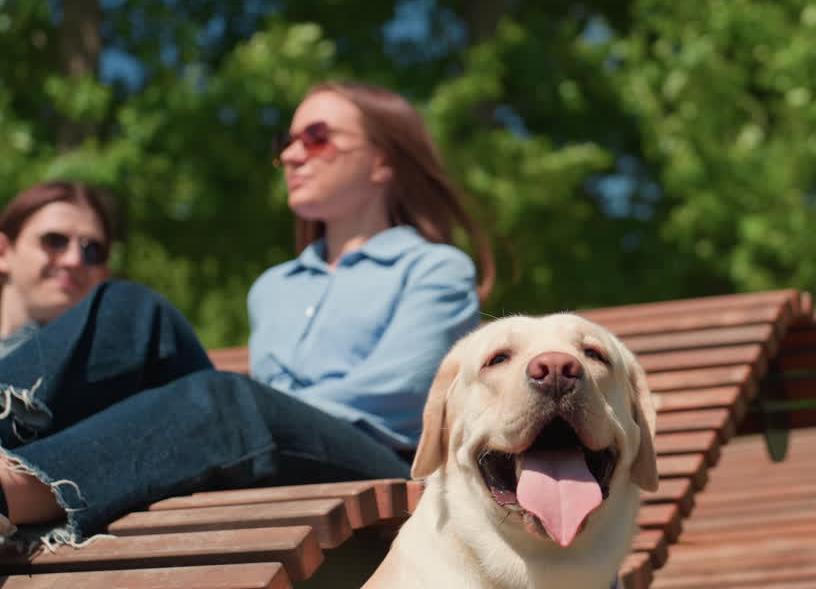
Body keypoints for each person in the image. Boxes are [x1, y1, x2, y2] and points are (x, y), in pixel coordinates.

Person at [0, 80, 494, 548]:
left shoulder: (435, 269)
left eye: (316, 138)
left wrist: (257, 408)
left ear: (383, 160)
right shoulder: (272, 288)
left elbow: (399, 400)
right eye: (288, 140)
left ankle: (12, 494)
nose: (290, 155)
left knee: (231, 402)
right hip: (260, 447)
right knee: (129, 308)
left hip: (376, 476)